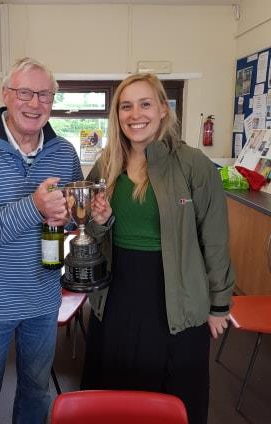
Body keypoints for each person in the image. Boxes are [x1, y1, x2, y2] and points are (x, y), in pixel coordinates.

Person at [80, 73, 235, 424]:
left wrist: (219, 304)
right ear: (117, 115)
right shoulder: (106, 164)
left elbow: (215, 237)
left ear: (164, 110)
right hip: (116, 295)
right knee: (117, 397)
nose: (136, 114)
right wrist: (101, 220)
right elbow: (91, 230)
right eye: (126, 106)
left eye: (146, 104)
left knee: (174, 397)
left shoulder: (193, 164)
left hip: (176, 296)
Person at [0, 57, 83, 423]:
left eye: (44, 95)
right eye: (25, 92)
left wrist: (67, 215)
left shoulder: (65, 152)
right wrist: (35, 207)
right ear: (6, 96)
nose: (35, 103)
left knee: (36, 394)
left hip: (43, 297)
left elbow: (68, 216)